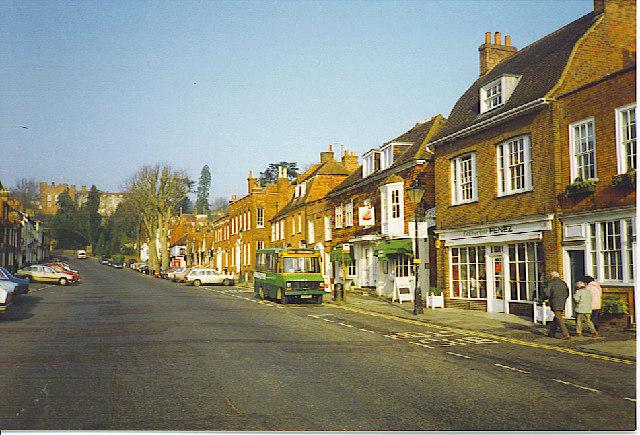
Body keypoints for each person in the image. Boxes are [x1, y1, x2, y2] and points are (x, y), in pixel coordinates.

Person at [544, 271, 571, 339]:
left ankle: (566, 334)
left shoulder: (551, 283)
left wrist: (545, 298)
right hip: (562, 302)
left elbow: (547, 293)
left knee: (558, 317)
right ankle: (551, 333)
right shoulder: (563, 283)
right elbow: (567, 293)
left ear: (552, 276)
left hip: (554, 302)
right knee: (556, 317)